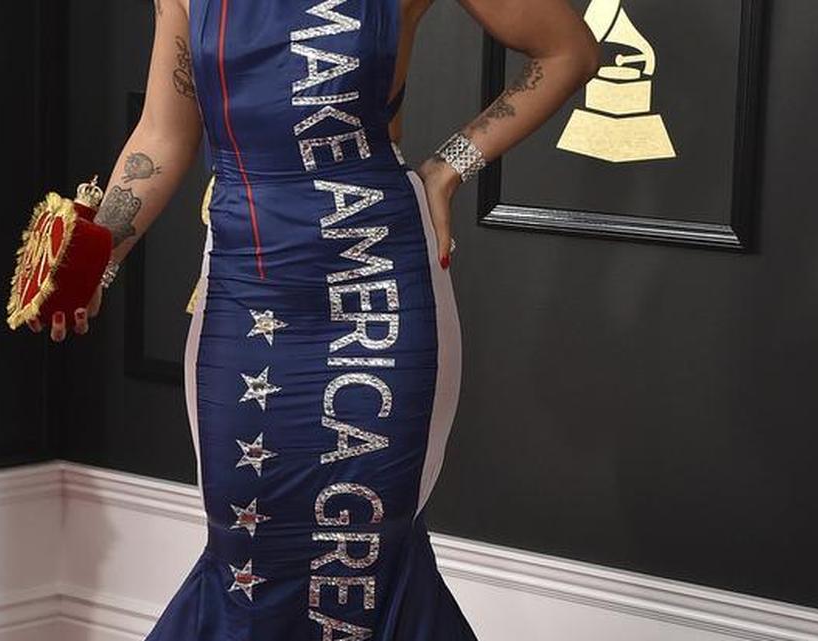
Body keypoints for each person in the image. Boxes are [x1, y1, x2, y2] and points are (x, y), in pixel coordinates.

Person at [31, 0, 598, 637]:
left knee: (364, 555)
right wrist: (97, 258)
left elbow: (568, 50)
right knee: (246, 553)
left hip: (379, 293)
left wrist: (447, 171)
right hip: (247, 292)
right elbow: (163, 133)